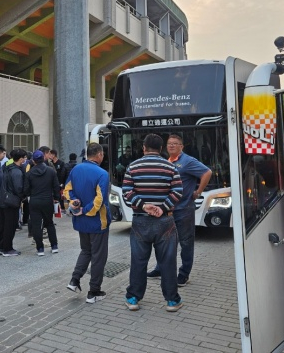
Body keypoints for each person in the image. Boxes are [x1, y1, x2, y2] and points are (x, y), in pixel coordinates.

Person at [122, 133, 183, 312]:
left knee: (138, 261)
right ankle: (172, 301)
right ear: (161, 148)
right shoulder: (170, 167)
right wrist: (162, 208)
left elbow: (127, 190)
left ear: (144, 147)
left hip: (140, 220)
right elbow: (178, 191)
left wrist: (144, 205)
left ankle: (133, 298)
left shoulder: (133, 166)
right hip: (165, 221)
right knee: (168, 262)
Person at [147, 134, 212, 287]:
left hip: (184, 209)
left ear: (181, 146)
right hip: (168, 209)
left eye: (175, 144)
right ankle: (160, 269)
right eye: (169, 143)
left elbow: (207, 172)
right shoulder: (167, 161)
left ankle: (184, 274)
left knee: (186, 242)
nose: (171, 146)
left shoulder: (187, 161)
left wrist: (199, 191)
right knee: (165, 242)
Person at [64, 143, 111, 303]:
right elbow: (99, 200)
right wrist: (86, 209)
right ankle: (94, 291)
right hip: (97, 222)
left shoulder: (75, 169)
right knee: (99, 256)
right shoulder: (102, 174)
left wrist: (74, 202)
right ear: (99, 154)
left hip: (80, 221)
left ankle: (74, 280)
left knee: (86, 251)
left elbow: (67, 190)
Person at [24, 150, 60, 256]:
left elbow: (26, 189)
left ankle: (40, 248)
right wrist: (56, 198)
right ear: (43, 159)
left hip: (34, 200)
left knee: (36, 225)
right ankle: (54, 246)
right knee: (49, 223)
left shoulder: (29, 173)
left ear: (34, 161)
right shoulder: (51, 171)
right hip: (48, 200)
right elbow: (56, 186)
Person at [0, 148, 28, 257]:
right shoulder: (17, 171)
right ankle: (7, 249)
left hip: (3, 200)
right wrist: (23, 196)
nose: (25, 159)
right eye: (24, 157)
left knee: (2, 225)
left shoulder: (7, 168)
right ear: (21, 159)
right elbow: (18, 188)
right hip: (11, 202)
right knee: (10, 225)